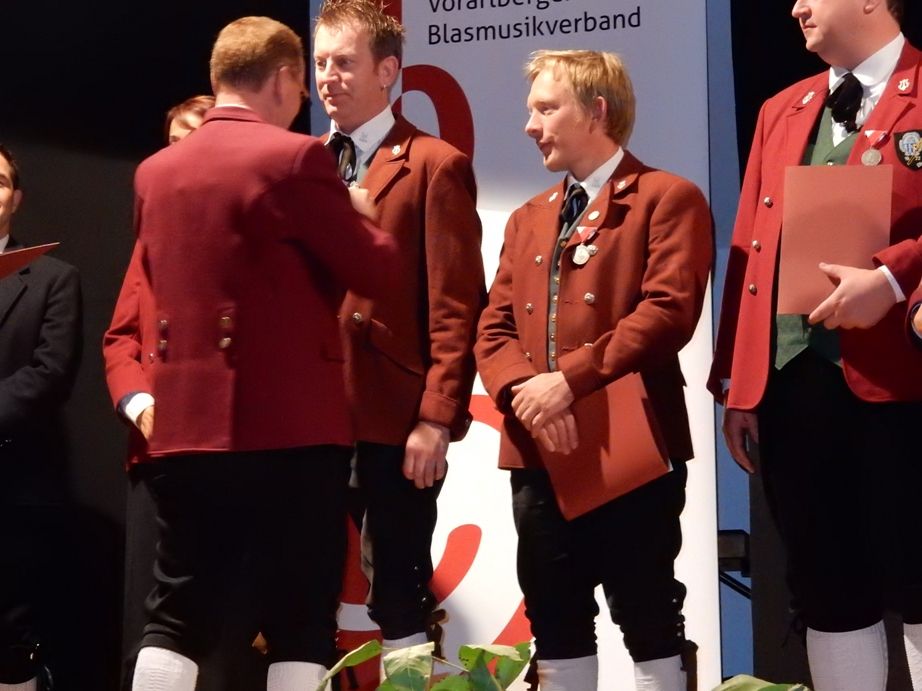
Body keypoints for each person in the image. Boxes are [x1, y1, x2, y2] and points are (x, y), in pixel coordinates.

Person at [122, 16, 398, 691]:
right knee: (300, 615)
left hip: (184, 427)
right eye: (301, 86)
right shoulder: (293, 159)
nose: (302, 99)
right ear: (280, 78)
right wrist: (358, 213)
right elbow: (377, 271)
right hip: (289, 428)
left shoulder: (155, 173)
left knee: (176, 611)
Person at [475, 50, 711, 691]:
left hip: (631, 445)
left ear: (596, 111)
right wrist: (526, 393)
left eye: (546, 109)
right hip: (539, 449)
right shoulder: (526, 218)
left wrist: (567, 383)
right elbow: (492, 327)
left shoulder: (667, 198)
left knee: (648, 615)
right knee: (554, 620)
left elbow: (668, 312)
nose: (530, 125)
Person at [709, 1, 922, 689]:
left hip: (906, 384)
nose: (796, 6)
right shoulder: (782, 108)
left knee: (919, 578)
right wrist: (739, 382)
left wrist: (892, 279)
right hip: (794, 383)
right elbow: (749, 247)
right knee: (827, 589)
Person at [312, 0, 485, 655]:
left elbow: (456, 305)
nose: (327, 77)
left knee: (397, 591)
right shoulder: (301, 165)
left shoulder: (434, 163)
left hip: (393, 411)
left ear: (387, 71)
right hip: (309, 412)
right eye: (320, 63)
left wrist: (436, 418)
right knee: (300, 589)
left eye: (344, 62)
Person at [105, 92, 270, 691]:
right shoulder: (150, 242)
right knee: (150, 628)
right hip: (160, 457)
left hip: (240, 456)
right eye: (172, 145)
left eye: (193, 142)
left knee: (228, 632)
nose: (180, 158)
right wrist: (140, 403)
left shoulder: (262, 238)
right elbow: (120, 341)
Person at [0, 144, 82, 691]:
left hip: (15, 483)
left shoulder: (52, 276)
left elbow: (50, 373)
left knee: (10, 635)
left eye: (0, 181)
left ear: (17, 199)